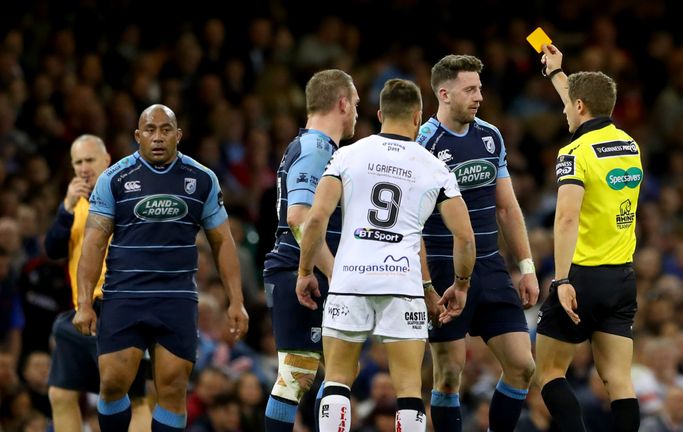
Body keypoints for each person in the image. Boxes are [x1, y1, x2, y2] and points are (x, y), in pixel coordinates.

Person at [297, 78, 476, 432]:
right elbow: (465, 237)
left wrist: (305, 271)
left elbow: (315, 218)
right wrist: (461, 284)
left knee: (337, 378)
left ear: (379, 114)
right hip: (403, 284)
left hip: (350, 279)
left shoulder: (346, 155)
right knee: (409, 386)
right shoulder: (435, 167)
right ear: (417, 117)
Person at [72, 104, 249, 432]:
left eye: (165, 129)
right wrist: (84, 303)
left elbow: (223, 242)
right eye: (150, 130)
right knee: (112, 383)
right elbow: (94, 244)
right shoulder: (114, 180)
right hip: (124, 296)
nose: (157, 137)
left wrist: (236, 300)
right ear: (137, 136)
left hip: (176, 299)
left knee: (172, 389)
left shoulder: (202, 180)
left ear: (177, 135)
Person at [416, 54, 539, 431]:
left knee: (522, 366)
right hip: (443, 269)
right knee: (450, 373)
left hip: (489, 266)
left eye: (480, 88)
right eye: (470, 89)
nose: (479, 96)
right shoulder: (422, 144)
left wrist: (527, 267)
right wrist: (424, 285)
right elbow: (412, 224)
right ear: (445, 93)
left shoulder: (490, 136)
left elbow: (507, 208)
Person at [535, 44, 642, 432]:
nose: (564, 110)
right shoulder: (630, 146)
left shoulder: (574, 152)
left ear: (579, 106)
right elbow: (583, 108)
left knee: (547, 372)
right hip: (621, 278)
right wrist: (556, 74)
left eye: (569, 105)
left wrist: (562, 279)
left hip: (581, 276)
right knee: (619, 380)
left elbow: (566, 219)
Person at [262, 69, 359, 431]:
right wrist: (334, 273)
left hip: (303, 269)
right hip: (300, 270)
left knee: (337, 370)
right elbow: (300, 217)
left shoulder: (318, 148)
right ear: (342, 103)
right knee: (299, 374)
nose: (357, 115)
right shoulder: (317, 149)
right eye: (357, 105)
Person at [43, 134, 151, 431]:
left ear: (107, 161)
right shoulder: (73, 205)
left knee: (135, 398)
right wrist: (65, 208)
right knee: (61, 393)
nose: (83, 167)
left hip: (120, 309)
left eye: (90, 160)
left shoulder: (127, 196)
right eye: (77, 162)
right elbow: (52, 249)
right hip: (83, 310)